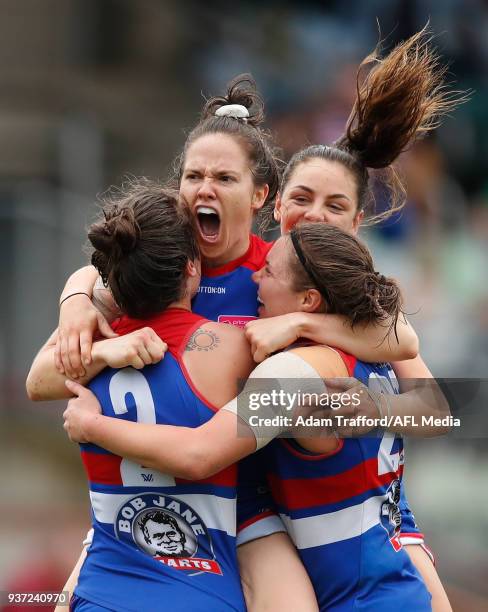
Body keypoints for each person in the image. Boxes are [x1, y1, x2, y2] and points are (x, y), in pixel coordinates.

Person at [28, 27, 460, 610]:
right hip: (170, 503)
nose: (205, 188)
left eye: (224, 178)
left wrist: (303, 330)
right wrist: (77, 295)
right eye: (193, 178)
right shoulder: (159, 271)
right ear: (279, 206)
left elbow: (411, 357)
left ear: (260, 196)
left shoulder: (282, 283)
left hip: (272, 507)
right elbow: (42, 376)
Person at [61, 222, 438, 611]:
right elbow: (438, 409)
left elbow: (198, 454)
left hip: (362, 601)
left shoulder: (295, 374)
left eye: (269, 271)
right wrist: (76, 295)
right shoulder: (375, 357)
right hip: (392, 589)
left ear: (308, 301)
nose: (255, 276)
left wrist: (92, 425)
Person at [30, 182, 318, 611]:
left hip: (101, 595)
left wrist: (78, 297)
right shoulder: (237, 351)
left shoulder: (83, 350)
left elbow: (35, 383)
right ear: (190, 267)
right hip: (199, 594)